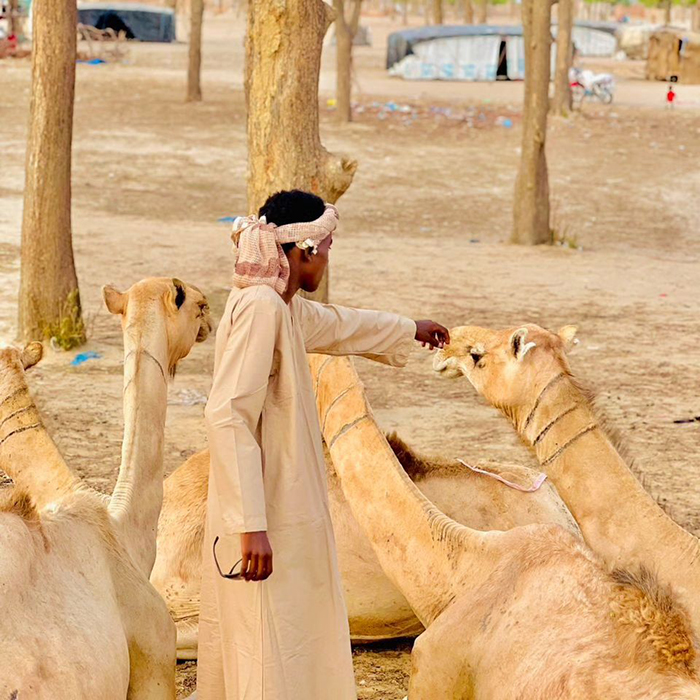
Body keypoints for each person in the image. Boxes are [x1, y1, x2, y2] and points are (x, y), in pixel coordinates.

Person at [196, 189, 450, 700]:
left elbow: (339, 324)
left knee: (291, 627)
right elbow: (228, 415)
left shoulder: (282, 307)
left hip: (283, 503)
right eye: (327, 247)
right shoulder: (261, 307)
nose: (329, 258)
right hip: (264, 505)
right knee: (268, 633)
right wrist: (251, 526)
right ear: (304, 249)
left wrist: (408, 328)